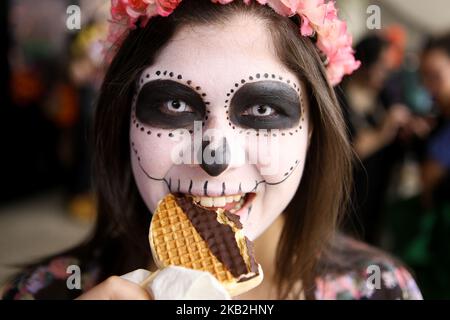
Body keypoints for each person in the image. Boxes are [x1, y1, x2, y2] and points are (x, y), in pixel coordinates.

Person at [1, 0, 422, 300]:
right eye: (174, 104)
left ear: (313, 130)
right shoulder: (46, 292)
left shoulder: (382, 290)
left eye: (261, 108)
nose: (214, 160)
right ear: (124, 119)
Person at [340, 34, 413, 244]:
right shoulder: (339, 96)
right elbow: (346, 153)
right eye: (381, 66)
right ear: (366, 60)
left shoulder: (385, 99)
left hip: (372, 200)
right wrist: (383, 132)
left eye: (389, 67)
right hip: (343, 197)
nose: (386, 73)